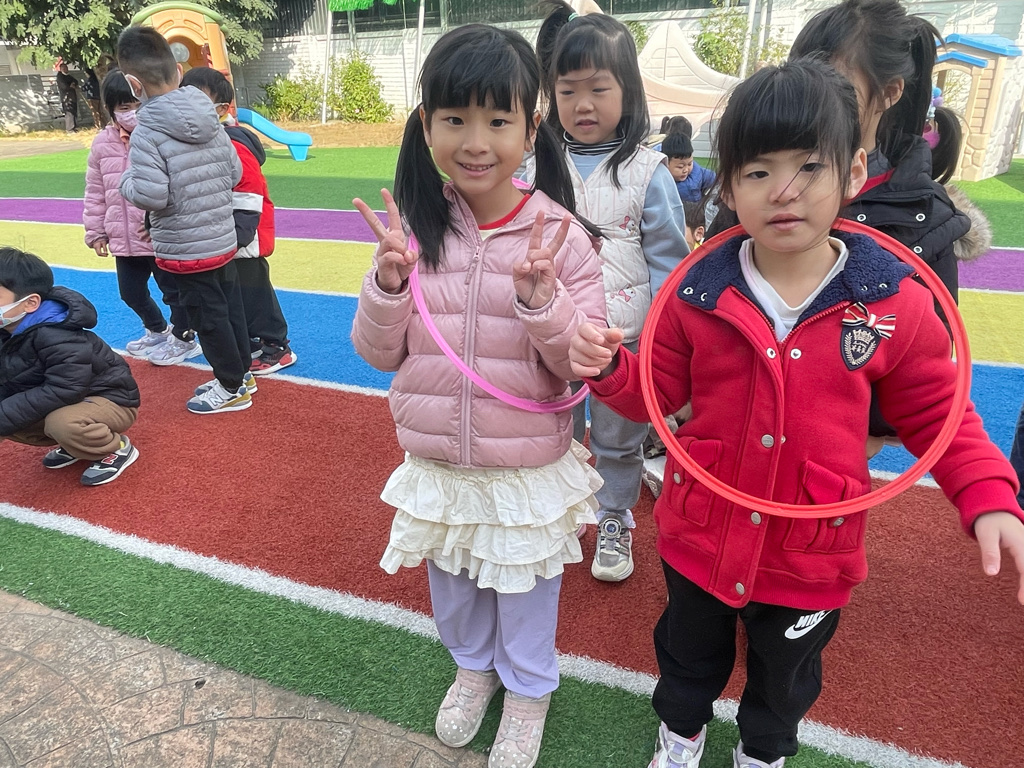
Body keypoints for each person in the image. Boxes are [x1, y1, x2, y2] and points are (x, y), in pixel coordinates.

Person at [568, 58, 1024, 768]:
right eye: (757, 171)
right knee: (686, 658)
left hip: (813, 554)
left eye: (809, 167)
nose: (783, 190)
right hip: (700, 538)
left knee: (785, 682)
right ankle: (680, 733)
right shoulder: (696, 294)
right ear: (728, 188)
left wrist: (991, 496)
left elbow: (940, 414)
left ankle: (763, 751)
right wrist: (606, 368)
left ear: (854, 171)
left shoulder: (894, 302)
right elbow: (652, 394)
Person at [351, 24, 605, 768]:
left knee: (524, 590)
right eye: (454, 118)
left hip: (522, 467)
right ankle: (472, 670)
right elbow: (377, 354)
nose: (474, 141)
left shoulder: (560, 236)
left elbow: (579, 365)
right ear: (425, 124)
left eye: (498, 120)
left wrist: (542, 303)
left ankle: (527, 692)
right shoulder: (413, 231)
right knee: (454, 583)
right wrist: (388, 284)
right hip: (438, 460)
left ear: (531, 128)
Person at [788, 0, 987, 454]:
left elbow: (928, 362)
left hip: (840, 447)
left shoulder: (924, 217)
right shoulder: (764, 188)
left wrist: (859, 423)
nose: (814, 97)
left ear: (890, 92)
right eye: (804, 77)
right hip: (743, 427)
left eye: (836, 82)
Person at [536, 0, 689, 582]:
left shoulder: (648, 171)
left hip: (624, 341)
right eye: (568, 90)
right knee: (553, 430)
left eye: (599, 89)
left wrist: (665, 339)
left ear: (628, 92)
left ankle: (614, 517)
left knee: (619, 437)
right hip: (555, 334)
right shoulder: (538, 165)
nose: (583, 105)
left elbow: (670, 264)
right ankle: (560, 513)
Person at [116, 26, 251, 415]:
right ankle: (240, 374)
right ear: (178, 69)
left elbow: (152, 195)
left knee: (208, 318)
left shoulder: (147, 132)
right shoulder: (208, 115)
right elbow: (234, 172)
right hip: (221, 236)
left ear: (133, 84)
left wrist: (126, 182)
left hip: (186, 247)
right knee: (230, 309)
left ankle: (230, 386)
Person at [179, 67, 297, 376]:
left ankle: (276, 346)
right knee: (237, 295)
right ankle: (254, 340)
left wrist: (239, 234)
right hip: (222, 235)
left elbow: (249, 192)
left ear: (221, 109)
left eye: (200, 101)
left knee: (254, 293)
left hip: (244, 236)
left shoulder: (232, 144)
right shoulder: (201, 141)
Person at [0, 247, 140, 486]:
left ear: (30, 303)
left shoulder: (56, 335)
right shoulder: (7, 330)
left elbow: (66, 388)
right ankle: (75, 444)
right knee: (11, 415)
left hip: (112, 399)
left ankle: (115, 448)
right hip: (71, 399)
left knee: (61, 423)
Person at [83, 69, 196, 362]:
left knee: (174, 293)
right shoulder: (102, 143)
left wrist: (160, 222)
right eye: (125, 107)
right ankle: (156, 329)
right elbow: (96, 190)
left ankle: (184, 337)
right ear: (111, 109)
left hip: (159, 237)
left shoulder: (161, 136)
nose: (133, 113)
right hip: (123, 238)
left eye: (138, 105)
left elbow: (179, 185)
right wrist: (96, 231)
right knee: (130, 292)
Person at [662, 133, 716, 204]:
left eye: (689, 164)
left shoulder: (697, 172)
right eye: (680, 167)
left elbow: (713, 178)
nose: (686, 170)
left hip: (697, 207)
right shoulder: (662, 180)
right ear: (666, 163)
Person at [55, 62, 81, 134]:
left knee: (74, 112)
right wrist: (70, 86)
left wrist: (73, 83)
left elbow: (75, 81)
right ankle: (69, 129)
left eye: (66, 68)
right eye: (64, 68)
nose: (66, 69)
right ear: (61, 69)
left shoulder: (68, 76)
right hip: (66, 98)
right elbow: (63, 86)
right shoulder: (60, 76)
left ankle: (75, 127)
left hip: (72, 97)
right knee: (69, 113)